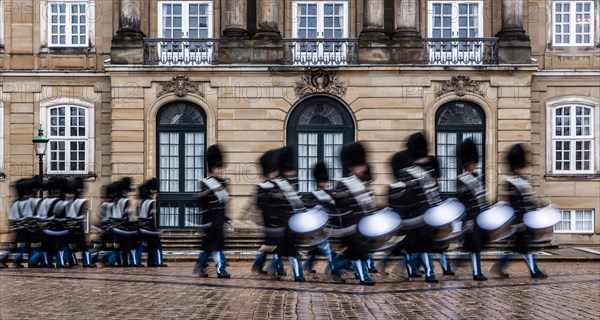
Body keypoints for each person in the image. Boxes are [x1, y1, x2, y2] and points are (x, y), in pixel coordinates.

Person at [491, 144, 548, 279]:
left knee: (517, 247)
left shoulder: (523, 181)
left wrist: (538, 208)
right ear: (515, 168)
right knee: (524, 247)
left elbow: (528, 200)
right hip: (519, 222)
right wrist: (519, 222)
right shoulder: (510, 183)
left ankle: (499, 266)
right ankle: (534, 271)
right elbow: (515, 204)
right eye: (520, 167)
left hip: (526, 220)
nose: (522, 170)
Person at [329, 142, 375, 285]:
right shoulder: (342, 184)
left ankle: (336, 267)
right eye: (359, 166)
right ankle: (364, 277)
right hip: (349, 226)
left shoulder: (360, 183)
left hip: (361, 225)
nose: (363, 168)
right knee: (358, 252)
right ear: (352, 167)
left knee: (355, 253)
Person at [267, 146, 306, 282]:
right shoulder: (277, 185)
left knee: (293, 251)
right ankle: (274, 268)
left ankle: (298, 275)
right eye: (289, 170)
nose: (291, 173)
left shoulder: (294, 184)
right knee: (280, 250)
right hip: (280, 224)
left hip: (292, 224)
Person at [193, 145, 231, 278]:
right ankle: (218, 269)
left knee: (214, 247)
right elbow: (200, 203)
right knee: (211, 247)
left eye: (219, 167)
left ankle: (203, 266)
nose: (218, 169)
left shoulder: (222, 183)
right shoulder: (205, 183)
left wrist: (226, 218)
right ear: (211, 167)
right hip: (210, 221)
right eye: (216, 167)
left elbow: (223, 204)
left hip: (218, 221)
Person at [456, 138, 488, 281]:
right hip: (470, 218)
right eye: (473, 164)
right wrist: (467, 220)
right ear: (467, 164)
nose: (475, 166)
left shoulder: (476, 177)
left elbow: (481, 198)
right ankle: (477, 272)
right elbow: (463, 202)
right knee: (474, 247)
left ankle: (458, 262)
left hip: (478, 217)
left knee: (475, 245)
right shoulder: (460, 180)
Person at [251, 149, 286, 277]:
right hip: (268, 220)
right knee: (273, 245)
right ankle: (269, 266)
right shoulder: (262, 187)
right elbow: (260, 205)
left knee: (273, 245)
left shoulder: (277, 186)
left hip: (278, 220)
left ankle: (260, 265)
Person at [301, 161, 336, 274]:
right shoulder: (313, 195)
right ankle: (333, 268)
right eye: (322, 181)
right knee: (326, 249)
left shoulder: (329, 194)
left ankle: (307, 264)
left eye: (325, 181)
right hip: (318, 228)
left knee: (315, 250)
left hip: (327, 226)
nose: (324, 184)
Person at [0, 178, 36, 269]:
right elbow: (29, 216)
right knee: (22, 246)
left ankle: (3, 260)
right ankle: (16, 262)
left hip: (16, 227)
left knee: (13, 246)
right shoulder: (29, 202)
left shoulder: (15, 203)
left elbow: (11, 216)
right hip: (25, 228)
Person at [64, 177, 96, 268]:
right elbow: (81, 215)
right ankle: (86, 262)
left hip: (69, 226)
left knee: (70, 246)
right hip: (78, 226)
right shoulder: (82, 201)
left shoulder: (66, 201)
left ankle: (72, 261)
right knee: (83, 247)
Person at [136, 178, 167, 267]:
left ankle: (139, 262)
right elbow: (154, 218)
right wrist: (157, 229)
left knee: (143, 245)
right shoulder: (151, 202)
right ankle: (158, 262)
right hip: (150, 228)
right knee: (157, 246)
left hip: (142, 227)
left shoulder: (142, 202)